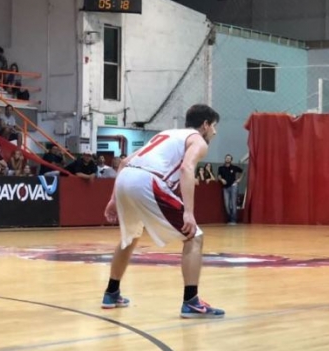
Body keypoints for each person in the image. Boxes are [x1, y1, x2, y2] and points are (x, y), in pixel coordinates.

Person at [101, 104, 224, 318]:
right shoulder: (197, 140)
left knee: (130, 237)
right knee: (194, 236)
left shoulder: (166, 134)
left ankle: (111, 292)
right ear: (205, 125)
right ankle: (191, 302)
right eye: (214, 126)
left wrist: (113, 199)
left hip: (126, 177)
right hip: (147, 179)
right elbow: (187, 168)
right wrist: (189, 212)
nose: (215, 131)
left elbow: (124, 163)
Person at [217, 154, 243, 225]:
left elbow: (242, 171)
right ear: (225, 159)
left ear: (231, 160)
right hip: (225, 187)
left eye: (229, 158)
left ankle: (233, 220)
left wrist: (239, 179)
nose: (228, 159)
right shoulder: (221, 168)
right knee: (227, 204)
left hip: (233, 186)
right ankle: (229, 218)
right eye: (227, 158)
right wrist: (221, 179)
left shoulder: (234, 167)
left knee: (233, 203)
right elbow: (219, 176)